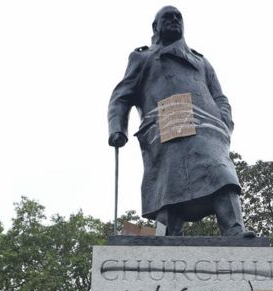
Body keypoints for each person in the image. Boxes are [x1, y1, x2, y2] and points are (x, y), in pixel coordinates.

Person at [107, 6, 249, 237]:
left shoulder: (201, 61)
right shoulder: (143, 58)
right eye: (167, 17)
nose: (174, 20)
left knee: (222, 173)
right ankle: (167, 236)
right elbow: (121, 96)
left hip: (208, 130)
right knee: (169, 185)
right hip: (167, 126)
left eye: (178, 17)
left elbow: (220, 97)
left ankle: (234, 229)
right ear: (156, 27)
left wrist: (224, 121)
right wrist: (117, 128)